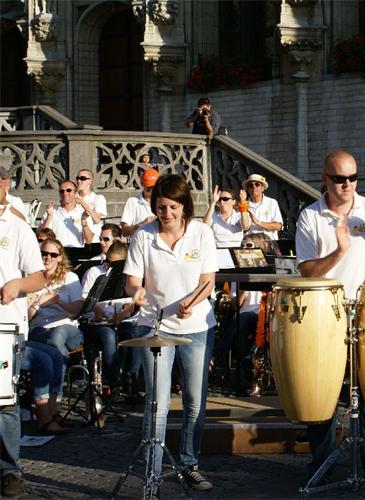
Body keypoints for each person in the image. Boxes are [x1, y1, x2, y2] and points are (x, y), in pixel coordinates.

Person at [295, 149, 365, 479]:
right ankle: (322, 464)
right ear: (325, 179)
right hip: (324, 315)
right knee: (322, 391)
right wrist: (339, 252)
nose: (347, 184)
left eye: (353, 177)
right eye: (339, 179)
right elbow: (306, 271)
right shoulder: (310, 216)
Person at [124, 174, 217, 492]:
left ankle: (190, 463)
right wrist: (136, 292)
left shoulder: (202, 233)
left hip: (197, 326)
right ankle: (151, 474)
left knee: (195, 401)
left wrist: (192, 302)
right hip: (155, 325)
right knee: (157, 403)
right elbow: (132, 279)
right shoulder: (143, 236)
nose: (167, 214)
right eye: (161, 207)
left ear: (184, 206)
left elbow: (208, 281)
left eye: (173, 207)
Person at [0, 172, 46, 497]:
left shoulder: (17, 228)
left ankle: (9, 470)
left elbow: (39, 278)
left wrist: (17, 284)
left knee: (4, 400)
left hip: (6, 325)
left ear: (4, 184)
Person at [79, 241, 133, 390]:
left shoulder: (128, 275)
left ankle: (130, 377)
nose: (110, 266)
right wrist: (97, 309)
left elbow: (131, 303)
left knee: (136, 334)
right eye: (108, 261)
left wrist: (122, 314)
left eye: (115, 264)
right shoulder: (94, 272)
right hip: (95, 322)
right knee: (108, 336)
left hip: (119, 320)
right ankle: (113, 382)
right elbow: (84, 298)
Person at [27, 239, 84, 378]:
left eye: (53, 255)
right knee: (56, 344)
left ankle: (52, 388)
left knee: (59, 333)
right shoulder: (30, 280)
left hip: (68, 329)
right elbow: (26, 317)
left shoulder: (70, 278)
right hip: (40, 329)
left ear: (59, 258)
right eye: (44, 253)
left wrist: (57, 301)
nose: (48, 258)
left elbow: (76, 311)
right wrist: (38, 304)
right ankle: (55, 389)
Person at [38, 180, 93, 247]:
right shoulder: (51, 212)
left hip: (77, 251)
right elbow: (41, 236)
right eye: (62, 191)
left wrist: (83, 222)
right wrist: (49, 216)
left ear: (76, 193)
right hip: (57, 252)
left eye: (68, 190)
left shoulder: (83, 212)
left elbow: (89, 240)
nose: (65, 193)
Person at [243, 174, 283, 240]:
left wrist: (258, 222)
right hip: (250, 243)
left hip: (268, 242)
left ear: (262, 188)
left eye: (257, 184)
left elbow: (278, 226)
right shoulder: (243, 205)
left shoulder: (272, 202)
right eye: (250, 185)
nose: (254, 187)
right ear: (247, 189)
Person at [121, 169, 158, 237]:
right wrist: (142, 224)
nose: (151, 189)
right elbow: (124, 231)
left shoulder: (163, 202)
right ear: (142, 184)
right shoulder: (133, 201)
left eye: (153, 187)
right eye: (148, 186)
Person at [74, 169, 107, 243]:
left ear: (90, 181)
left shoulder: (98, 198)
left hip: (92, 242)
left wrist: (82, 202)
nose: (79, 181)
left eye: (82, 178)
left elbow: (97, 219)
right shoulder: (73, 198)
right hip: (75, 241)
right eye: (77, 178)